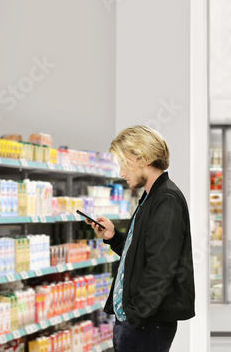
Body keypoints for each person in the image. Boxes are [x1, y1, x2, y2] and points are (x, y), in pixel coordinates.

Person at [85, 125, 195, 352]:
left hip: (145, 325)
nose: (121, 173)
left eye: (123, 164)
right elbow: (143, 253)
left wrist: (136, 316)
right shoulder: (151, 197)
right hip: (140, 323)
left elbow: (161, 267)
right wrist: (113, 236)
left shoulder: (166, 199)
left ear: (142, 158)